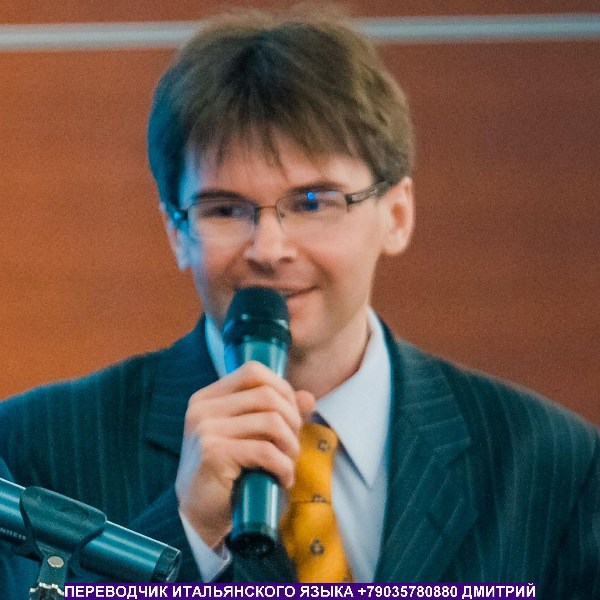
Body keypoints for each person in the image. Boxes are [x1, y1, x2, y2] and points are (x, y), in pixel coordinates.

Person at [0, 6, 598, 597]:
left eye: (313, 203)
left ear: (397, 215)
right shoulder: (36, 452)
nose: (269, 249)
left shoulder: (551, 466)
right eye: (225, 209)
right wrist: (188, 530)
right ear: (177, 232)